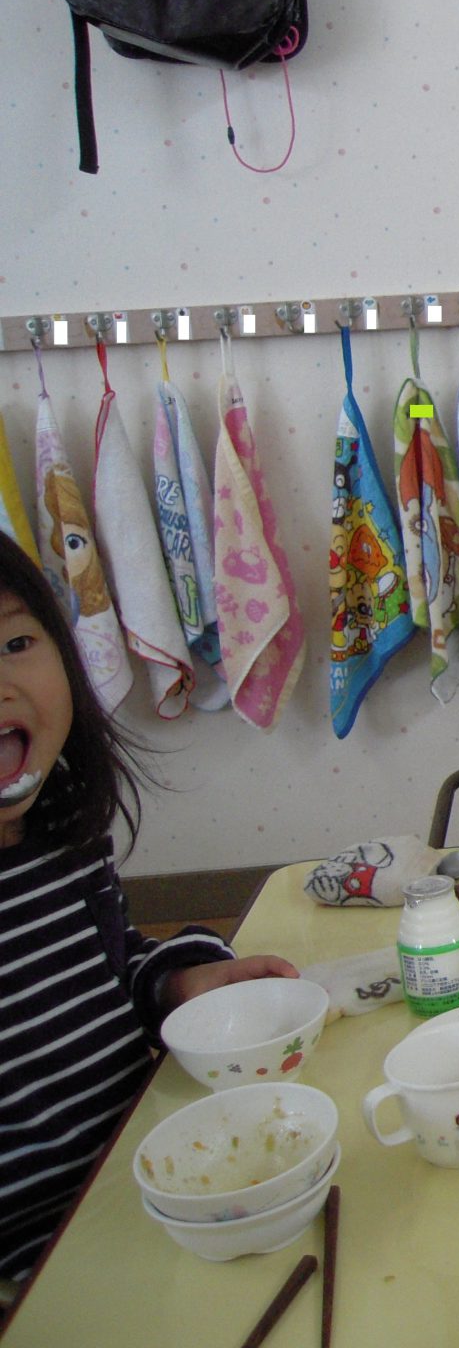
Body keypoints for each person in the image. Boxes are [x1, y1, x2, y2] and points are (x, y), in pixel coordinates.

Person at [0, 534, 296, 1288]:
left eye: (15, 643)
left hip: (158, 1176)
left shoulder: (61, 834)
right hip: (43, 1266)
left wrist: (176, 982)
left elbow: (110, 964)